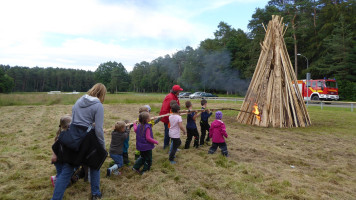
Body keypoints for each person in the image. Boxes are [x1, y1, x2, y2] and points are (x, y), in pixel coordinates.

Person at [51, 83, 107, 200]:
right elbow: (99, 129)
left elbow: (75, 121)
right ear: (102, 94)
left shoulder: (78, 101)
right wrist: (102, 146)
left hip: (74, 136)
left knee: (67, 170)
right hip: (87, 139)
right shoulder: (98, 106)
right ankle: (95, 194)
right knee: (94, 165)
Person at [51, 114, 72, 187]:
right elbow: (54, 147)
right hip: (58, 160)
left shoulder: (65, 134)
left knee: (65, 175)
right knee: (61, 175)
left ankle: (61, 180)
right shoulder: (61, 136)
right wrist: (54, 155)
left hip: (64, 159)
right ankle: (56, 180)